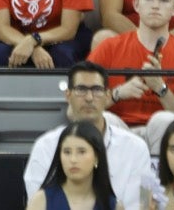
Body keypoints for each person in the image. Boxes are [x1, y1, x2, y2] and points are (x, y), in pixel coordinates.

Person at [88, 0, 174, 150]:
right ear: (136, 4)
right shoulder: (109, 47)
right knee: (106, 119)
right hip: (120, 129)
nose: (155, 6)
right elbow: (81, 107)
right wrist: (117, 94)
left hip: (164, 135)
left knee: (164, 120)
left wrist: (161, 89)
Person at [23, 64, 160, 210]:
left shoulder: (136, 147)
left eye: (97, 90)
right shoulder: (45, 146)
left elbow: (143, 203)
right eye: (81, 89)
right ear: (68, 95)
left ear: (108, 95)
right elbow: (36, 200)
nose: (89, 98)